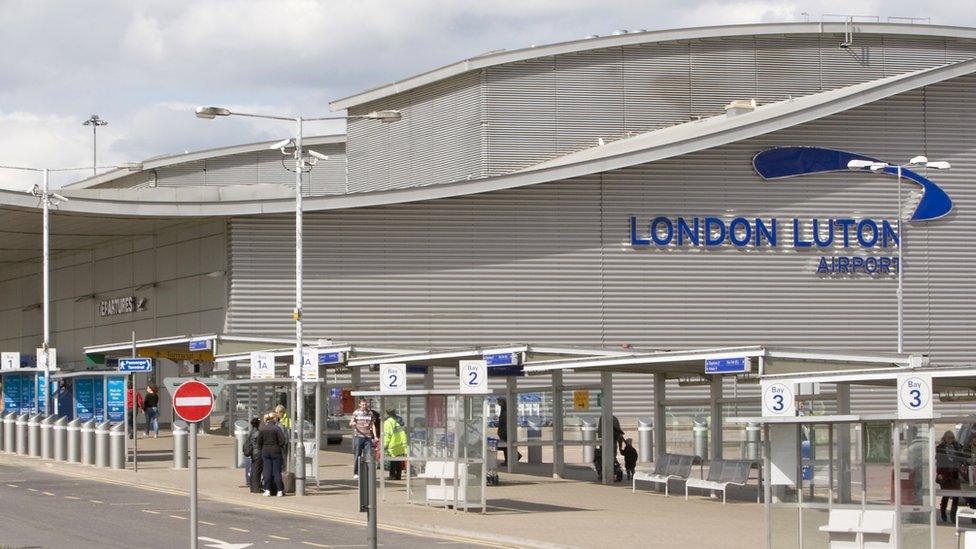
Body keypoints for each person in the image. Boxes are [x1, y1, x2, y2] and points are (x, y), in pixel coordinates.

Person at [937, 430, 964, 522]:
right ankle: (943, 513)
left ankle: (953, 515)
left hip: (955, 474)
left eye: (952, 437)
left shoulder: (957, 446)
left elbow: (962, 458)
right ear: (944, 438)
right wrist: (939, 474)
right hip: (944, 474)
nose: (950, 439)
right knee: (946, 495)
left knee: (956, 496)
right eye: (948, 437)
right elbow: (938, 462)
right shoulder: (940, 448)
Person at [257, 412, 286, 497]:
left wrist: (261, 449)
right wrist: (279, 445)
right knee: (277, 471)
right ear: (274, 419)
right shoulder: (277, 429)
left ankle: (267, 490)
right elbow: (283, 440)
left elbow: (259, 441)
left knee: (267, 470)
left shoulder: (262, 429)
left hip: (265, 451)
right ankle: (280, 490)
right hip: (276, 450)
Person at [350, 399, 377, 479]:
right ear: (359, 405)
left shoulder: (370, 413)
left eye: (365, 404)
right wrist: (353, 423)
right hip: (359, 436)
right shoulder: (356, 413)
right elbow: (351, 422)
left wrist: (375, 436)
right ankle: (356, 472)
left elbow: (372, 425)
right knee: (357, 454)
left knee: (368, 455)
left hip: (368, 437)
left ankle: (368, 472)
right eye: (362, 405)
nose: (364, 406)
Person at [383, 409, 407, 481]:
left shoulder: (388, 422)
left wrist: (385, 444)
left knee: (392, 460)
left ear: (387, 413)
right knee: (398, 460)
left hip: (392, 444)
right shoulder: (400, 420)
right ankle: (398, 476)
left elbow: (387, 434)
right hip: (400, 443)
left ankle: (392, 475)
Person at [496, 398, 521, 466]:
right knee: (505, 447)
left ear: (503, 402)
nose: (498, 403)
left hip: (505, 431)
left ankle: (511, 458)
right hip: (503, 431)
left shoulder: (505, 411)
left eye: (499, 401)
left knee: (506, 446)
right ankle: (509, 459)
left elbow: (504, 422)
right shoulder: (503, 410)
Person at [244, 417, 262, 492]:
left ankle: (253, 487)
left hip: (253, 453)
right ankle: (256, 488)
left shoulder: (251, 432)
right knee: (257, 470)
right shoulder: (258, 433)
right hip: (258, 453)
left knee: (254, 469)